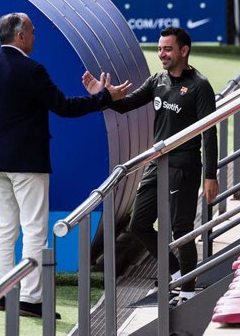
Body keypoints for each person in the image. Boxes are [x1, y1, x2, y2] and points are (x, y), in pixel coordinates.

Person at [0, 12, 131, 318]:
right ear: (20, 36)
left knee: (5, 228)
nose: (35, 36)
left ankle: (3, 293)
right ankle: (31, 298)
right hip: (27, 163)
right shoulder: (32, 70)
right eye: (31, 31)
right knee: (34, 230)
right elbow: (64, 107)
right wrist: (103, 99)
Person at [83, 27, 218, 306]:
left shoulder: (200, 86)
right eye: (159, 49)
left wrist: (211, 175)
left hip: (185, 166)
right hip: (157, 163)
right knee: (139, 224)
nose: (162, 55)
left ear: (184, 50)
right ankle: (178, 273)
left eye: (167, 49)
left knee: (182, 231)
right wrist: (103, 96)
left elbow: (209, 132)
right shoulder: (157, 80)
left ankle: (188, 293)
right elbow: (126, 105)